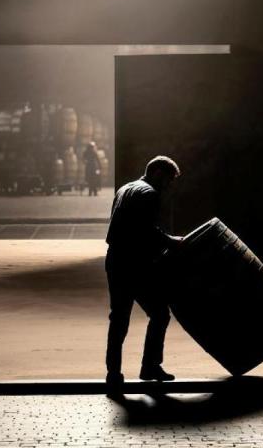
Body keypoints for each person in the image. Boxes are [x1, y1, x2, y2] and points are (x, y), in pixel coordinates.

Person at [104, 155, 183, 393]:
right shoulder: (149, 193)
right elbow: (146, 231)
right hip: (134, 263)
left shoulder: (125, 189)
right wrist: (171, 242)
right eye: (168, 181)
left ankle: (113, 373)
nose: (168, 187)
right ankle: (150, 366)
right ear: (158, 173)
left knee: (118, 318)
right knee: (160, 314)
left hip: (114, 259)